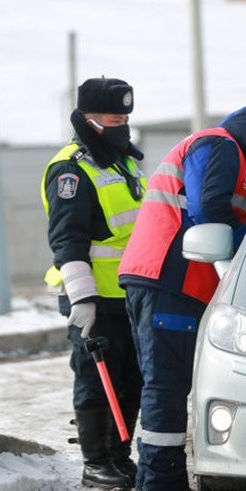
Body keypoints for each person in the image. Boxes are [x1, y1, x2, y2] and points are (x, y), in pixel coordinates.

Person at [117, 104, 246, 490]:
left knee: (166, 383)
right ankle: (161, 482)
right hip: (170, 280)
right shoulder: (219, 144)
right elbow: (208, 208)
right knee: (167, 384)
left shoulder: (225, 153)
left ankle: (159, 478)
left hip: (169, 281)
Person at [40, 77, 146, 489]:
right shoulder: (72, 168)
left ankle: (120, 457)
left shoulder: (124, 160)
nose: (121, 118)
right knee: (96, 382)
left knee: (131, 381)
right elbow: (67, 239)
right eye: (111, 112)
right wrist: (82, 298)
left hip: (130, 293)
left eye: (124, 112)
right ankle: (96, 462)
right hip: (94, 298)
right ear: (87, 116)